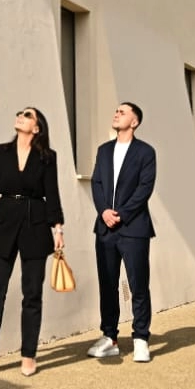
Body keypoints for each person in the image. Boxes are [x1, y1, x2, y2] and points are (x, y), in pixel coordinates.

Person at [0, 107, 65, 376]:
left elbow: (52, 194)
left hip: (36, 224)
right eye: (20, 113)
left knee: (32, 294)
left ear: (37, 127)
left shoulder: (47, 157)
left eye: (28, 114)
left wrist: (58, 230)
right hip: (4, 223)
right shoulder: (1, 152)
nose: (21, 115)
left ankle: (28, 355)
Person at [86, 101, 157, 363]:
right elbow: (97, 182)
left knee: (138, 284)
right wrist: (104, 210)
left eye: (122, 111)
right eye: (115, 110)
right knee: (107, 284)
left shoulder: (145, 152)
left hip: (134, 228)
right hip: (105, 228)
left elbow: (145, 188)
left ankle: (140, 338)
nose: (116, 113)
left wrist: (122, 214)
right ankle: (110, 337)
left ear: (134, 121)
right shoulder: (104, 151)